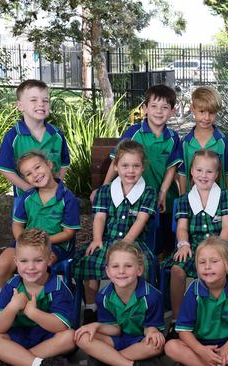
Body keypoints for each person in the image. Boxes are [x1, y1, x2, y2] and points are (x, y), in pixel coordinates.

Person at [72, 140, 157, 324]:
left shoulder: (148, 193)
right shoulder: (105, 191)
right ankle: (91, 307)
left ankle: (137, 306)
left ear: (143, 168)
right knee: (90, 260)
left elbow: (141, 220)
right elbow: (100, 217)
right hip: (107, 239)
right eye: (125, 165)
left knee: (144, 264)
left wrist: (125, 243)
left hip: (133, 242)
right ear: (116, 166)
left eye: (136, 166)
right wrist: (96, 239)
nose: (130, 171)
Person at [93, 84, 181, 257]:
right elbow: (115, 162)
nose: (159, 111)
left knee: (166, 242)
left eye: (165, 107)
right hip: (135, 198)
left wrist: (162, 193)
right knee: (143, 237)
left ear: (172, 111)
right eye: (154, 106)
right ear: (145, 109)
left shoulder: (173, 138)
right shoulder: (134, 132)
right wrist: (104, 187)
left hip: (165, 198)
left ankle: (162, 274)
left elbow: (171, 169)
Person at [164, 149, 228, 337]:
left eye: (209, 172)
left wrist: (219, 249)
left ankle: (219, 318)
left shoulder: (225, 197)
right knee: (177, 269)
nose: (203, 176)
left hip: (219, 245)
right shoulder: (184, 200)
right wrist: (184, 244)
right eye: (199, 170)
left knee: (217, 269)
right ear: (191, 172)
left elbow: (227, 226)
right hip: (193, 246)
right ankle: (177, 319)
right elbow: (182, 228)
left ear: (217, 174)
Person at [0, 229, 75, 366]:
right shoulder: (11, 286)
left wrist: (33, 313)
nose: (31, 267)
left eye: (38, 260)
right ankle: (38, 363)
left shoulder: (58, 288)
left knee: (70, 337)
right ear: (16, 261)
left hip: (46, 338)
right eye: (24, 261)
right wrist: (13, 306)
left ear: (49, 260)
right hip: (17, 337)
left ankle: (13, 359)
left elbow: (61, 326)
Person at [164, 237, 228, 366]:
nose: (207, 267)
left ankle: (208, 363)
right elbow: (184, 331)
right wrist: (200, 350)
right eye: (202, 262)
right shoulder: (193, 291)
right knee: (171, 347)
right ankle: (216, 363)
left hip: (227, 345)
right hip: (199, 345)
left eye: (214, 261)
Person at [0, 151, 81, 288]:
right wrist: (23, 241)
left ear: (49, 165)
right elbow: (17, 225)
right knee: (2, 265)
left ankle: (43, 299)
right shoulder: (27, 197)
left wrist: (41, 241)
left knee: (39, 266)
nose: (35, 174)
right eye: (28, 174)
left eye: (37, 167)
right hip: (26, 242)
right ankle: (15, 298)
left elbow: (68, 233)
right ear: (25, 179)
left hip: (55, 245)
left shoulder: (68, 199)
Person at [75, 240, 165, 366]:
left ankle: (109, 358)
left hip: (139, 342)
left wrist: (152, 332)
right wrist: (96, 326)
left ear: (139, 270)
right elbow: (115, 329)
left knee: (156, 345)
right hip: (115, 340)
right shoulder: (103, 297)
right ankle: (127, 363)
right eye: (115, 266)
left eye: (128, 266)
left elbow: (150, 327)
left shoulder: (152, 296)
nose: (121, 271)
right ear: (108, 271)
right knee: (82, 337)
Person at [0, 79, 70, 200]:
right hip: (26, 200)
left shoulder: (57, 135)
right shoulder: (13, 136)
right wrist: (28, 189)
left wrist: (56, 185)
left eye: (45, 100)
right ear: (20, 106)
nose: (41, 104)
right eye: (34, 100)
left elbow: (64, 163)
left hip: (54, 197)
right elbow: (4, 168)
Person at [176, 86, 228, 193]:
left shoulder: (223, 141)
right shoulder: (185, 142)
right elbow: (182, 174)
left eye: (211, 113)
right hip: (192, 203)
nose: (206, 117)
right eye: (202, 111)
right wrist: (183, 199)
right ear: (192, 109)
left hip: (218, 202)